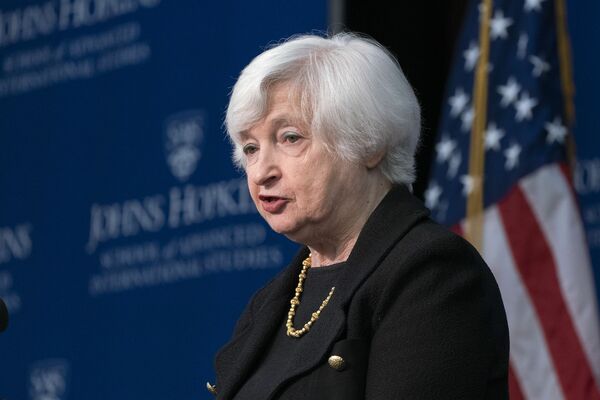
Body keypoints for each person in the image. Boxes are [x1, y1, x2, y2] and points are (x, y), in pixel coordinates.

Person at [209, 32, 509, 399]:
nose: (260, 172)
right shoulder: (268, 304)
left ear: (369, 142)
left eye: (290, 138)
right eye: (251, 148)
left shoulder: (432, 273)